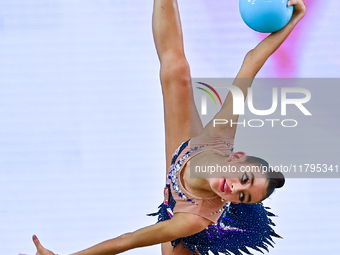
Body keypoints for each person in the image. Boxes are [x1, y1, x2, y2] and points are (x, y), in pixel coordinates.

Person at [23, 0, 306, 254]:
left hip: (184, 224)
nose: (233, 188)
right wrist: (293, 21)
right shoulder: (220, 136)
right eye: (243, 178)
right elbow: (251, 62)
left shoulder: (193, 220)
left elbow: (128, 240)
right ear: (236, 157)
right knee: (177, 72)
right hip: (189, 155)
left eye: (242, 197)